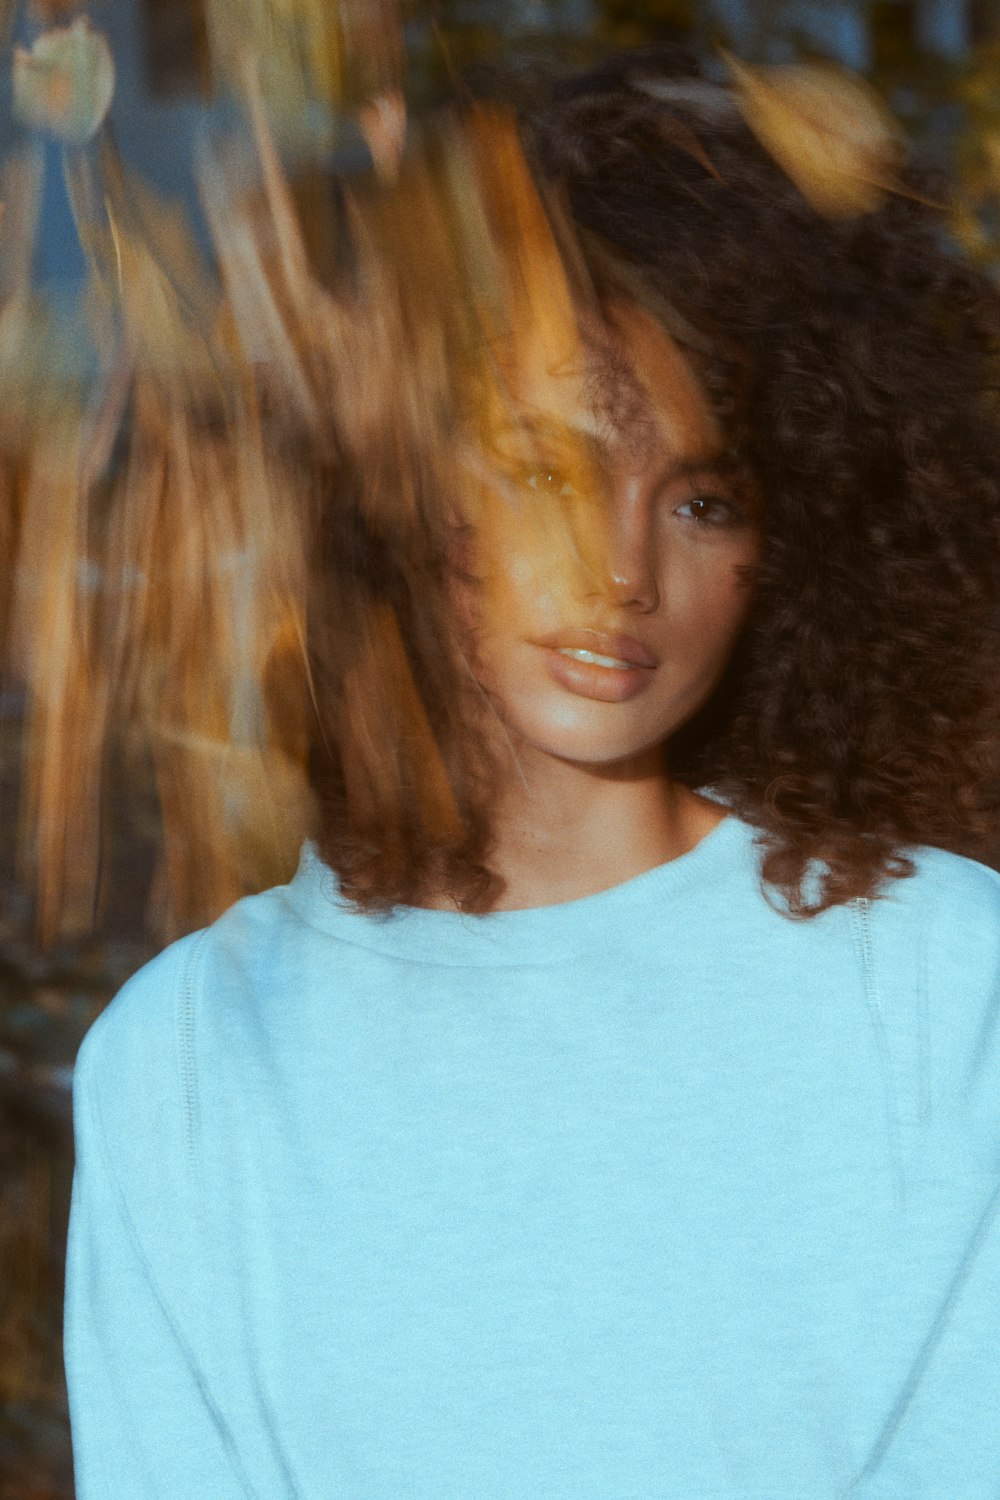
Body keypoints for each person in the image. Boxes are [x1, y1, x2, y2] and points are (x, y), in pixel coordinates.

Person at [63, 45, 1000, 1499]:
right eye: (544, 472)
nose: (620, 571)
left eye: (700, 498)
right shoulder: (189, 1057)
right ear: (397, 484)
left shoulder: (952, 982)